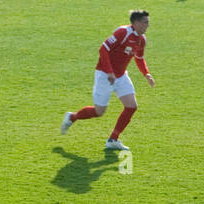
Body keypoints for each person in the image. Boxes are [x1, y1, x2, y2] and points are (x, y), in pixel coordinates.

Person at [61, 10, 155, 152]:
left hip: (121, 76)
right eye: (145, 22)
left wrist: (146, 74)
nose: (147, 25)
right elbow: (103, 50)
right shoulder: (123, 33)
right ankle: (72, 117)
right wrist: (110, 71)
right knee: (99, 111)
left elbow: (139, 58)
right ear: (135, 23)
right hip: (105, 75)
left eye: (148, 22)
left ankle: (113, 139)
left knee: (131, 106)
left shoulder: (142, 40)